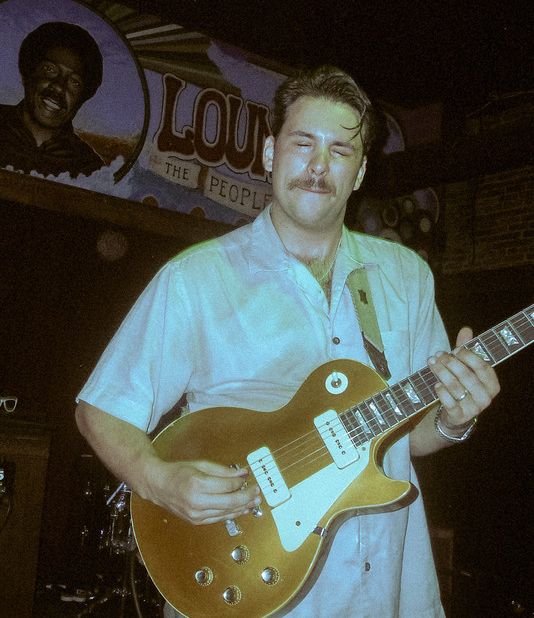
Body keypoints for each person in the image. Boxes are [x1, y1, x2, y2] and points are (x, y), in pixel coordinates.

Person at [76, 66, 500, 618]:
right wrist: (158, 480)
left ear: (361, 171)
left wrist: (452, 419)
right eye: (303, 144)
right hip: (249, 583)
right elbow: (100, 410)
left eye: (340, 151)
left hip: (388, 590)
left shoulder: (407, 276)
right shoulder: (196, 279)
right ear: (270, 154)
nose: (319, 166)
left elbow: (409, 435)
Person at [0, 21, 105, 178]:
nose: (59, 87)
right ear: (27, 75)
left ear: (82, 98)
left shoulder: (89, 168)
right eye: (49, 70)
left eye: (74, 82)